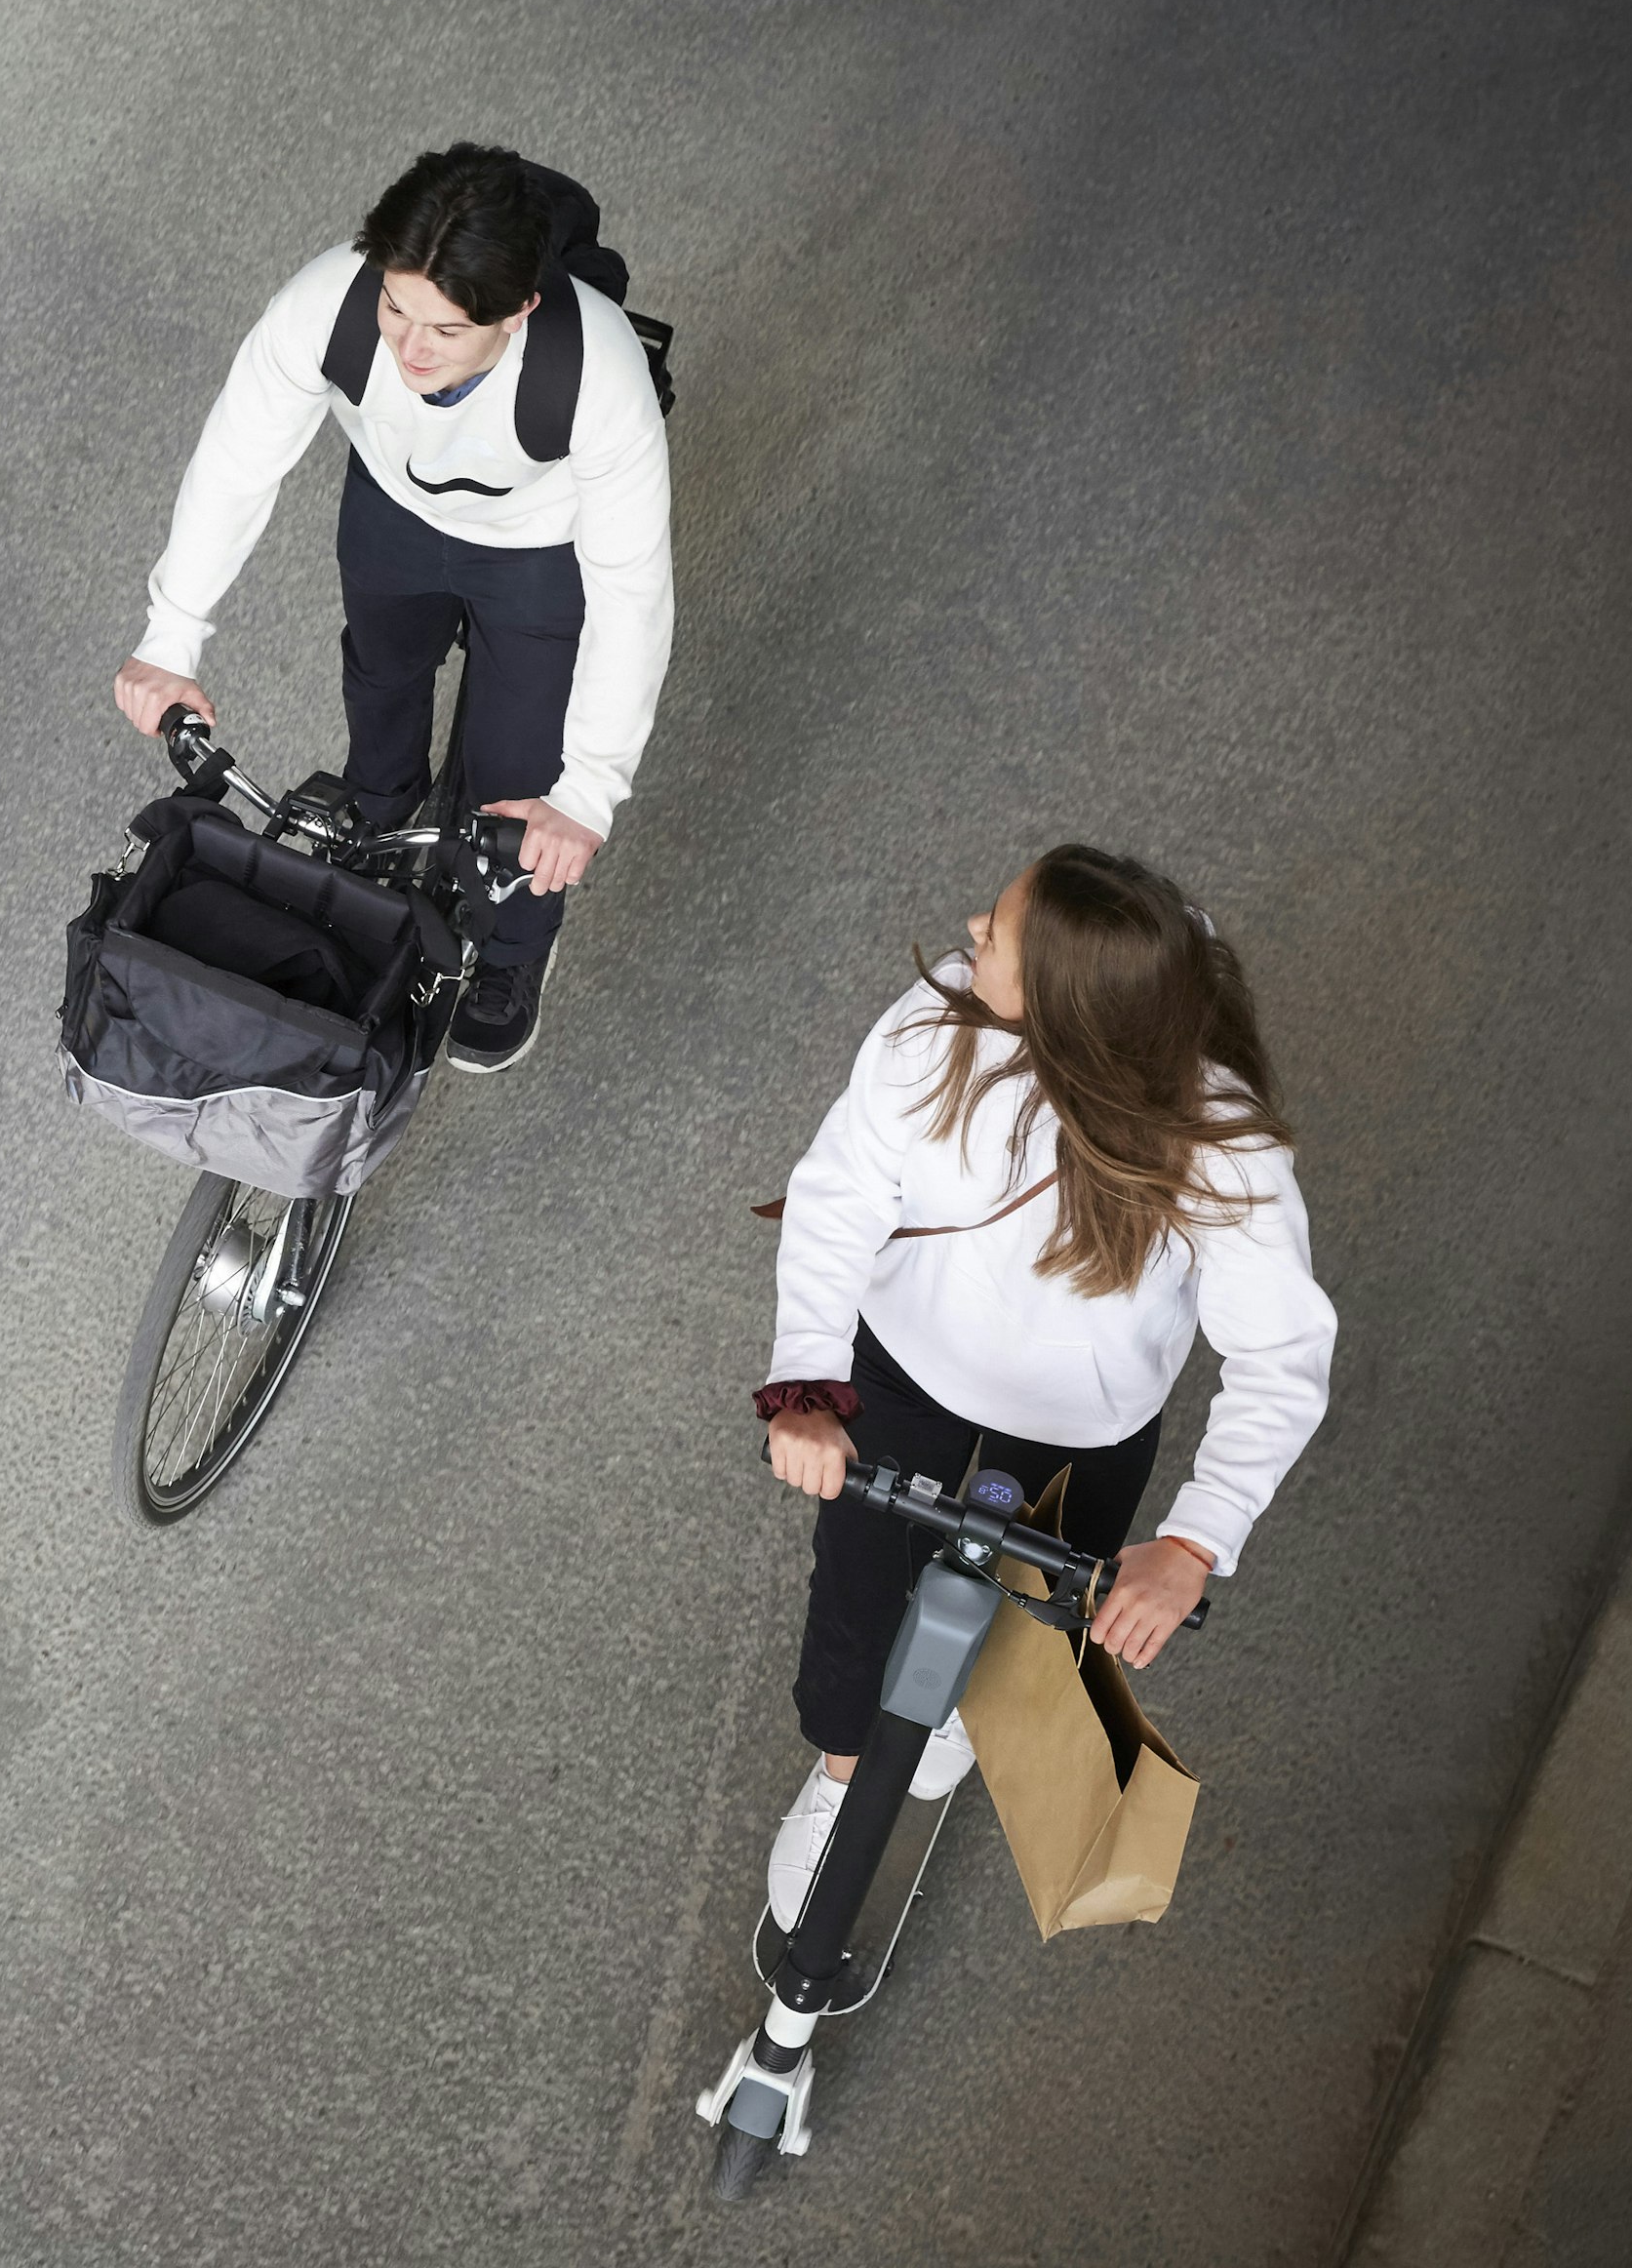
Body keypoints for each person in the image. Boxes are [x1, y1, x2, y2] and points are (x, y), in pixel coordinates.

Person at [752, 847, 1335, 1927]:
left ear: (1070, 1008)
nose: (971, 923)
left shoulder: (1220, 1148)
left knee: (1032, 1623)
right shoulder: (936, 1027)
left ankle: (955, 1730)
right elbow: (838, 1199)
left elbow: (1282, 1358)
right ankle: (841, 1778)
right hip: (908, 1359)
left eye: (998, 932)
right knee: (855, 1594)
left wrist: (1195, 1541)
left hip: (1086, 1419)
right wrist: (806, 1383)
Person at [111, 140, 676, 1072]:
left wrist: (586, 794)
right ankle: (380, 817)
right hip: (394, 506)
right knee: (380, 686)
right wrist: (170, 637)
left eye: (446, 330)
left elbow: (633, 592)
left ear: (519, 310)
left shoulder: (596, 375)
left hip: (541, 546)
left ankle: (512, 950)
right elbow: (238, 458)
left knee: (519, 778)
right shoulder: (329, 304)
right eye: (397, 306)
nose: (408, 348)